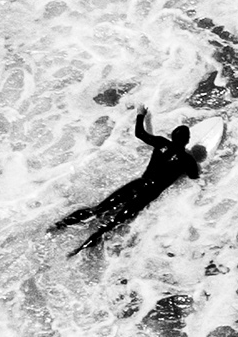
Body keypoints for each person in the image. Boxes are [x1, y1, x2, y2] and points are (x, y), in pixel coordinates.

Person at [48, 109, 207, 255]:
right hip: (147, 194)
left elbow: (140, 133)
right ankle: (77, 251)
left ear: (172, 136)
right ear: (187, 140)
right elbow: (194, 177)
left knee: (97, 209)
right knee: (111, 225)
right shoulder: (188, 161)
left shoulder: (161, 143)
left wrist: (140, 115)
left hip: (137, 184)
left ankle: (59, 225)